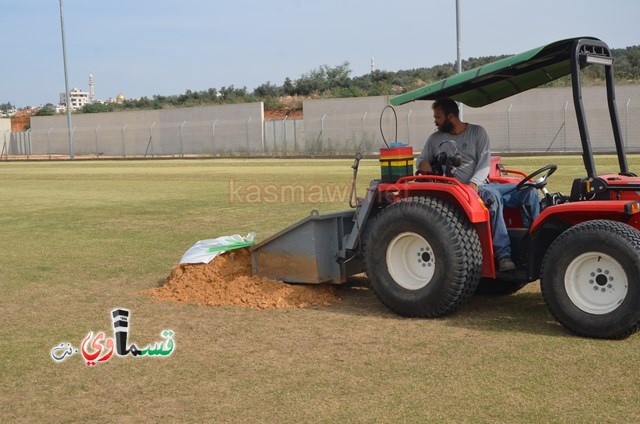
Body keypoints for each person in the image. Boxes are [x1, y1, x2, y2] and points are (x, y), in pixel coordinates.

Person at [416, 98, 540, 273]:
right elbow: (421, 159)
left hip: (480, 185)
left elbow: (484, 165)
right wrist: (423, 163)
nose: (435, 121)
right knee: (492, 197)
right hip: (459, 190)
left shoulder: (477, 133)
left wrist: (474, 184)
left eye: (438, 117)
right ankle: (503, 255)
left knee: (529, 191)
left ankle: (535, 245)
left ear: (451, 116)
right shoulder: (435, 139)